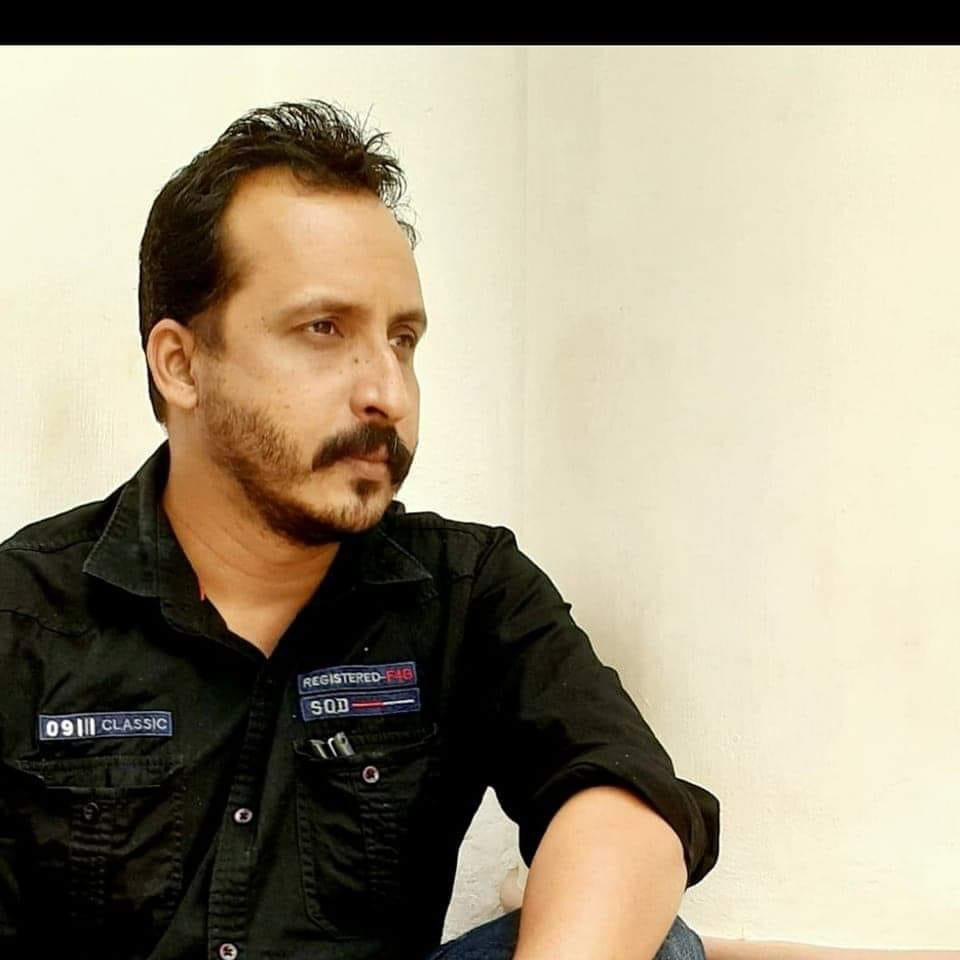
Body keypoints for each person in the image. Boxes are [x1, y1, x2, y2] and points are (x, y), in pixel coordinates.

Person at [0, 100, 720, 960]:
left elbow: (624, 804)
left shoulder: (464, 590)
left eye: (402, 339)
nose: (388, 392)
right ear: (181, 365)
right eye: (324, 329)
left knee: (658, 943)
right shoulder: (23, 619)